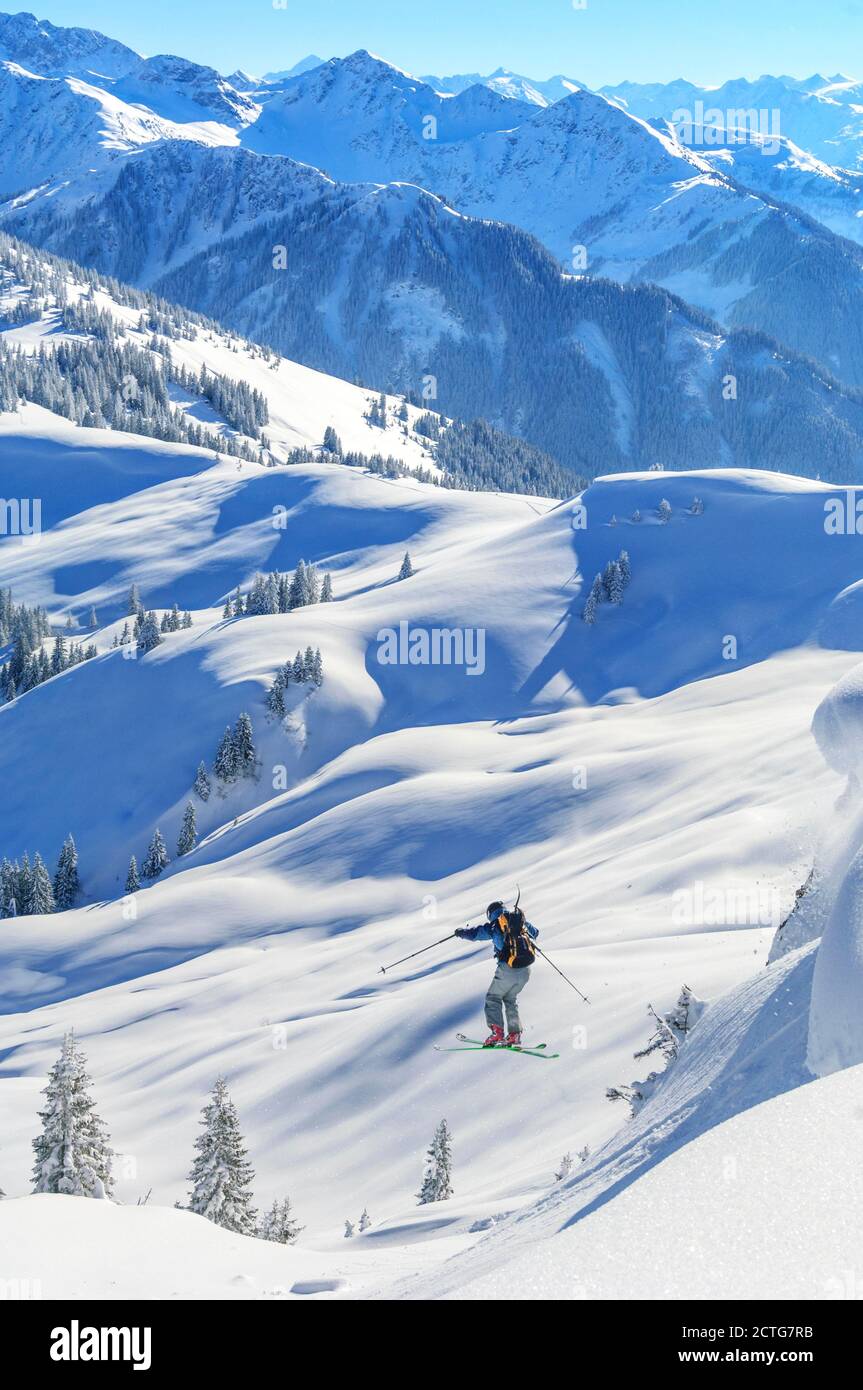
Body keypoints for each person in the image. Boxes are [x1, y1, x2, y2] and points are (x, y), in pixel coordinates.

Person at [455, 901, 539, 1047]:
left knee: (493, 998)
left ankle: (497, 1034)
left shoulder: (494, 925)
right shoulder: (519, 920)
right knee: (510, 999)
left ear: (490, 914)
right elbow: (535, 932)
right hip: (526, 969)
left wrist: (461, 932)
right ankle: (514, 1034)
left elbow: (475, 934)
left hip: (508, 968)